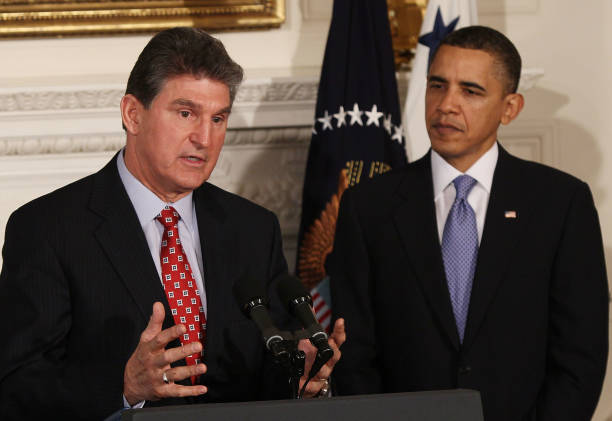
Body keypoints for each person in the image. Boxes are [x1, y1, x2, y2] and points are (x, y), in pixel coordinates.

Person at [0, 27, 345, 420]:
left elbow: (264, 372)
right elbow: (16, 388)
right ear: (133, 114)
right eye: (186, 114)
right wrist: (123, 388)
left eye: (218, 118)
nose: (205, 138)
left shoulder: (252, 229)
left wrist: (299, 376)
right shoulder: (49, 229)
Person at [329, 25, 608, 421]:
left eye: (470, 91)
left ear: (510, 108)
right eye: (437, 85)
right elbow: (354, 352)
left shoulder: (561, 204)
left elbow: (581, 353)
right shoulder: (368, 206)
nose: (446, 105)